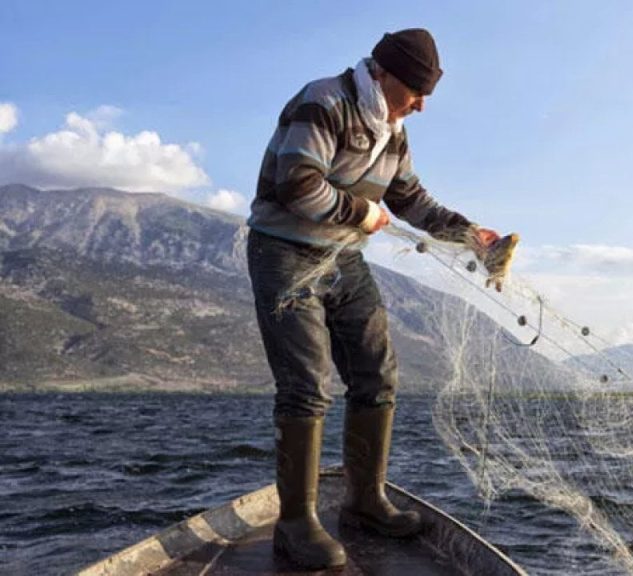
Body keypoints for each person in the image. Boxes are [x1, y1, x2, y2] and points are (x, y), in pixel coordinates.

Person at [246, 28, 500, 569]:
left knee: (377, 374)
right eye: (415, 92)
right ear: (383, 74)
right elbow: (297, 182)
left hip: (344, 259)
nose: (422, 105)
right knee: (306, 385)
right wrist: (362, 214)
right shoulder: (324, 102)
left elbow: (409, 199)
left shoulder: (394, 128)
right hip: (284, 253)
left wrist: (473, 237)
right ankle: (295, 525)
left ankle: (363, 501)